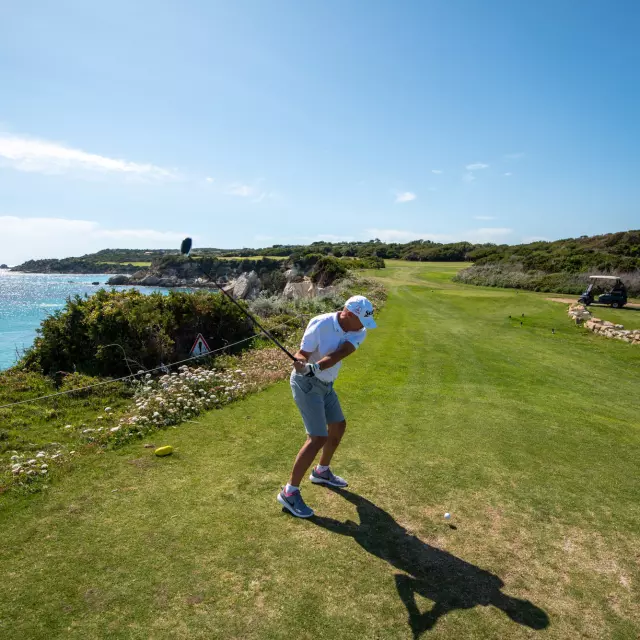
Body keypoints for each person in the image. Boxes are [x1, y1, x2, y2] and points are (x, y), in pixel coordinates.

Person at [277, 295, 377, 518]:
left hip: (325, 382)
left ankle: (321, 471)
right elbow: (302, 353)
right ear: (348, 314)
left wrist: (316, 367)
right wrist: (301, 363)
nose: (364, 325)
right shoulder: (320, 323)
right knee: (317, 437)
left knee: (338, 425)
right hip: (306, 383)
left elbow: (340, 353)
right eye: (361, 320)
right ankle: (289, 492)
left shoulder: (359, 330)